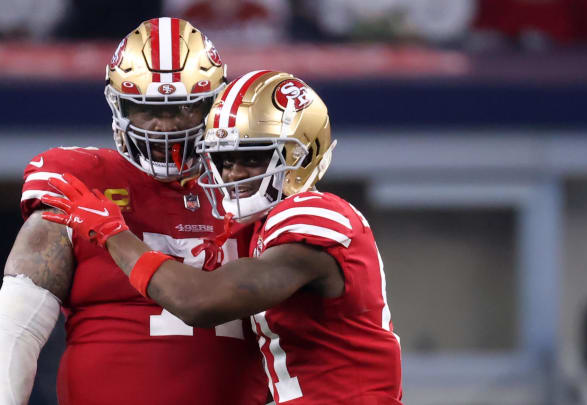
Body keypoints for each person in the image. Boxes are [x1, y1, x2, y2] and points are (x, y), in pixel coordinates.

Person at [42, 71, 403, 404]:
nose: (234, 172)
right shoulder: (261, 229)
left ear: (302, 153)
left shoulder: (316, 213)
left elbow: (199, 302)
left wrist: (112, 232)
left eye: (252, 157)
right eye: (224, 158)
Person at [0, 18, 268, 405]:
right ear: (118, 105)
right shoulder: (79, 182)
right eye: (146, 108)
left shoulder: (257, 192)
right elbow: (16, 329)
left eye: (184, 107)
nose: (165, 126)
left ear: (216, 103)